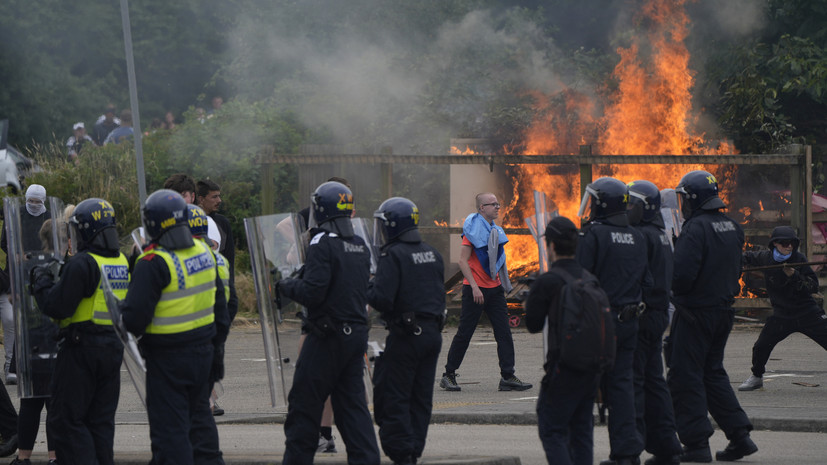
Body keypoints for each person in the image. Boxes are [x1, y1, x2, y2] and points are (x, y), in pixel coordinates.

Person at [119, 189, 228, 465]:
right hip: (203, 353)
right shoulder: (204, 252)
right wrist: (215, 351)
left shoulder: (153, 262)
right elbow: (221, 312)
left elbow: (133, 321)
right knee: (202, 427)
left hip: (167, 361)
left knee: (171, 435)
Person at [277, 181, 380, 465]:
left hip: (327, 336)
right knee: (353, 408)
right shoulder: (358, 244)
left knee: (303, 406)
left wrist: (286, 286)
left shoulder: (322, 242)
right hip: (355, 334)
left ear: (320, 210)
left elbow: (313, 292)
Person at [29, 198, 128, 465]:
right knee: (101, 422)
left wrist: (40, 280)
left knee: (67, 421)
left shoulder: (84, 263)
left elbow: (56, 306)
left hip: (81, 350)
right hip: (112, 349)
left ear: (86, 230)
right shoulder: (121, 261)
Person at [667, 170, 757, 462]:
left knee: (685, 377)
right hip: (722, 313)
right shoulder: (732, 226)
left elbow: (681, 277)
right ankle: (739, 436)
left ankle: (695, 445)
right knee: (712, 373)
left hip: (694, 315)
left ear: (692, 199)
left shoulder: (694, 229)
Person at [576, 176, 652, 465]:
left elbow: (581, 279)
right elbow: (648, 279)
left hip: (600, 324)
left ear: (601, 203)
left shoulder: (592, 235)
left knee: (585, 387)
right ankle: (627, 452)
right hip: (631, 321)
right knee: (622, 386)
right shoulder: (638, 236)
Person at [368, 197, 444, 465]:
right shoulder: (432, 253)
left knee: (395, 395)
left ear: (392, 224)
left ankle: (402, 452)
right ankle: (414, 449)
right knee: (421, 398)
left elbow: (383, 299)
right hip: (432, 334)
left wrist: (364, 287)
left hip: (406, 336)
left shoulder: (393, 254)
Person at [524, 215, 599, 465]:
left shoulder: (548, 280)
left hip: (562, 365)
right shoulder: (590, 278)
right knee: (582, 431)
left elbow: (533, 325)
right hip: (591, 368)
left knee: (552, 428)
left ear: (552, 246)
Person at [440, 192, 531, 392]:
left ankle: (507, 376)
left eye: (498, 204)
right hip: (475, 290)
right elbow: (463, 261)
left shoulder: (494, 229)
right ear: (482, 208)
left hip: (494, 289)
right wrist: (473, 286)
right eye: (493, 204)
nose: (498, 207)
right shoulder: (472, 230)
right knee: (465, 333)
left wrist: (503, 285)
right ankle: (449, 374)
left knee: (504, 333)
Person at [626, 180, 682, 465]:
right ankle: (667, 448)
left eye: (631, 203)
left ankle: (630, 451)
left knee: (633, 384)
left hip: (642, 316)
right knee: (654, 382)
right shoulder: (659, 233)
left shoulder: (640, 236)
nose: (627, 208)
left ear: (644, 206)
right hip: (657, 315)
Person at [738, 226, 827, 391]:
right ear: (774, 244)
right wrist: (732, 261)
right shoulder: (766, 258)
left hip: (807, 313)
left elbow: (813, 286)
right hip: (782, 316)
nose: (789, 247)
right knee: (761, 346)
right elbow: (746, 257)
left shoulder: (798, 259)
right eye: (785, 243)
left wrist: (794, 276)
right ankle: (757, 377)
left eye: (792, 243)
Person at [0, 184, 51, 385]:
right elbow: (5, 241)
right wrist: (17, 254)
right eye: (30, 201)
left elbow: (53, 241)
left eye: (38, 202)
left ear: (44, 202)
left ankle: (35, 362)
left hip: (41, 271)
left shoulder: (48, 216)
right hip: (16, 271)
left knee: (37, 320)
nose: (34, 205)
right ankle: (10, 364)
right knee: (13, 320)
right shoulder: (16, 213)